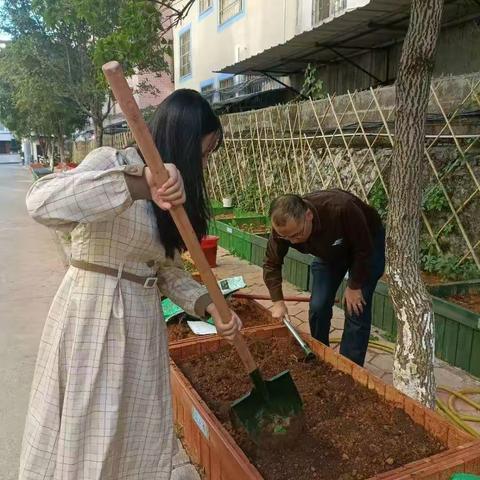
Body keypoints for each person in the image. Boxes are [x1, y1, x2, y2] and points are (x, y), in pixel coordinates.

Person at [19, 89, 242, 480]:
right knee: (88, 426)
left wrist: (208, 303)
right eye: (202, 153)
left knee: (132, 429)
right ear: (184, 140)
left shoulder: (175, 198)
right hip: (92, 310)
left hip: (141, 322)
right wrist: (138, 185)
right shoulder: (112, 163)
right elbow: (42, 202)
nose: (202, 164)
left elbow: (166, 270)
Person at [263, 190, 385, 366]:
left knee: (356, 307)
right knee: (318, 305)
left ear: (309, 216)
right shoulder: (284, 230)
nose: (293, 242)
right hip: (330, 250)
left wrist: (355, 285)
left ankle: (349, 369)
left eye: (297, 234)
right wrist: (278, 302)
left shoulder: (341, 208)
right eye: (286, 237)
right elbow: (271, 263)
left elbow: (364, 249)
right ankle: (321, 355)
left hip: (366, 245)